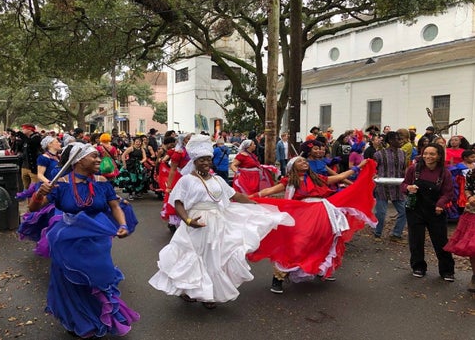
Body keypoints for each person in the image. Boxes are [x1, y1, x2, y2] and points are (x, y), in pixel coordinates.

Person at [148, 135, 294, 309]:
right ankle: (189, 289)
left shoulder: (217, 179)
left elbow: (234, 195)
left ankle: (208, 294)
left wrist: (254, 202)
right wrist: (187, 220)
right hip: (196, 223)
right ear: (194, 161)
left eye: (208, 159)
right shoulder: (187, 180)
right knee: (194, 256)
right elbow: (178, 202)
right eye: (202, 159)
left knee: (214, 257)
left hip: (217, 223)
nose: (206, 163)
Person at [29, 143, 139, 337]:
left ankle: (99, 315)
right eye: (94, 156)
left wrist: (122, 225)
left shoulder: (102, 181)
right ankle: (79, 320)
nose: (99, 160)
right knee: (72, 282)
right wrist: (40, 193)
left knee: (100, 278)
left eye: (99, 156)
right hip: (67, 239)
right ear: (79, 160)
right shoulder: (60, 183)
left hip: (97, 239)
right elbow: (33, 208)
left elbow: (114, 206)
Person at [247, 156, 377, 293]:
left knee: (324, 241)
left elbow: (340, 177)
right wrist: (248, 198)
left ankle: (320, 269)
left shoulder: (318, 179)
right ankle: (278, 278)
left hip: (323, 214)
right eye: (300, 161)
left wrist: (358, 167)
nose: (304, 162)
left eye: (305, 160)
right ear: (292, 167)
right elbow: (268, 191)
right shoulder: (290, 182)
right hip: (304, 215)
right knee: (297, 244)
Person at [401, 143, 455, 281]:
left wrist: (440, 204)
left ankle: (447, 270)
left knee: (440, 241)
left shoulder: (444, 173)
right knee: (416, 240)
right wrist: (409, 188)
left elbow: (448, 193)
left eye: (432, 154)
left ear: (439, 156)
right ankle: (418, 267)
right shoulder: (414, 169)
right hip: (415, 209)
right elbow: (403, 185)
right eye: (425, 153)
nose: (428, 156)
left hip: (435, 211)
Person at [373, 131, 408, 242]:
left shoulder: (403, 153)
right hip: (382, 188)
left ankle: (396, 234)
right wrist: (374, 176)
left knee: (404, 211)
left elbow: (404, 169)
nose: (401, 141)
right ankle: (377, 234)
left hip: (398, 188)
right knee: (381, 213)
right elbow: (373, 168)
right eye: (398, 139)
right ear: (391, 141)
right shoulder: (379, 154)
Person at [444, 167, 475, 292]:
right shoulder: (472, 172)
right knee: (473, 248)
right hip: (473, 213)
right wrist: (470, 197)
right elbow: (468, 188)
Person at [16, 123, 42, 190]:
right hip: (24, 167)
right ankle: (28, 200)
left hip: (33, 168)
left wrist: (20, 134)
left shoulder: (36, 137)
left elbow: (31, 143)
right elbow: (19, 149)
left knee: (34, 188)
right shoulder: (25, 139)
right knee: (26, 188)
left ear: (29, 129)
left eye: (24, 129)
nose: (22, 130)